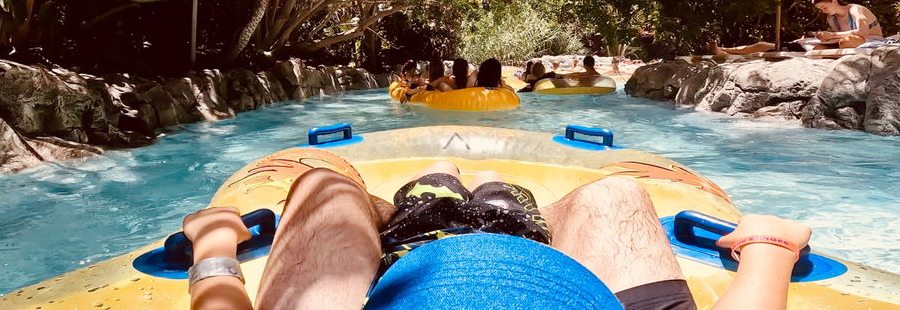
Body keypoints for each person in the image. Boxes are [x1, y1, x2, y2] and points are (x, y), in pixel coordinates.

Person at [183, 162, 812, 310]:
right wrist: (771, 246)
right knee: (611, 195)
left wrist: (215, 244)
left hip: (413, 264)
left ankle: (421, 196)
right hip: (546, 264)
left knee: (334, 185)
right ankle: (484, 191)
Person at [708, 0, 884, 55]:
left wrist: (832, 36)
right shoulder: (831, 18)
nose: (823, 11)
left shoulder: (855, 10)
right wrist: (824, 36)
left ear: (834, 2)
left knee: (847, 41)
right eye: (820, 9)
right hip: (840, 42)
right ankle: (725, 50)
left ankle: (727, 51)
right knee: (767, 45)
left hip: (867, 40)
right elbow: (835, 37)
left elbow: (862, 33)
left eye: (824, 7)